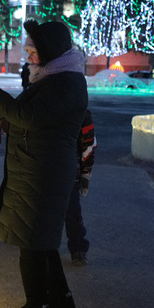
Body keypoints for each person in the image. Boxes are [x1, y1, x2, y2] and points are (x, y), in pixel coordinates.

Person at [0, 20, 88, 308]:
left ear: (48, 51)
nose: (26, 55)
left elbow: (29, 116)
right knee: (42, 240)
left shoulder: (63, 82)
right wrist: (8, 120)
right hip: (40, 165)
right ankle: (60, 298)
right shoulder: (54, 77)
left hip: (43, 170)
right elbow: (34, 119)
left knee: (32, 242)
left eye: (31, 50)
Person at [66, 109, 96, 266]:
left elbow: (88, 144)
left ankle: (78, 249)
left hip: (68, 171)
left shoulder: (81, 110)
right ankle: (77, 249)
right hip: (62, 169)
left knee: (72, 211)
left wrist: (85, 175)